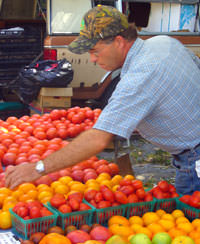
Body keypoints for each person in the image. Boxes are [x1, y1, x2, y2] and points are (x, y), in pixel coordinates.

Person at [5, 5, 200, 195]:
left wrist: (38, 168)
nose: (92, 59)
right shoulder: (164, 43)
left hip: (194, 158)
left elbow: (98, 139)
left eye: (95, 51)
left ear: (119, 41)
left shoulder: (141, 74)